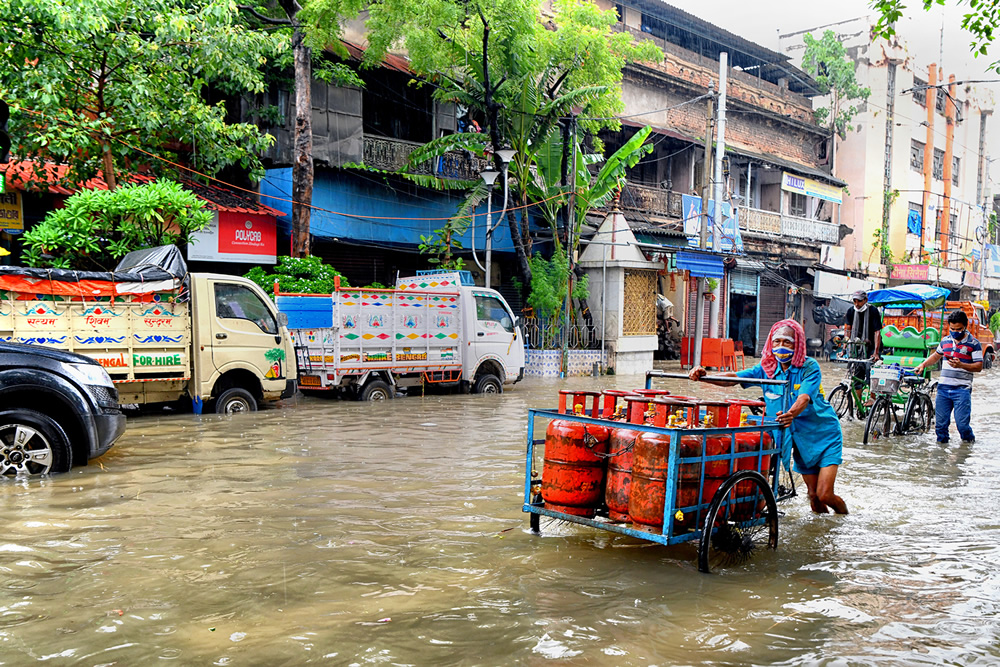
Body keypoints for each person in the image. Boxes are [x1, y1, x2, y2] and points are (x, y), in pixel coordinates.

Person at [689, 318, 848, 514]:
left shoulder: (809, 367)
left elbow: (804, 397)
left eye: (787, 342)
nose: (781, 347)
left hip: (824, 434)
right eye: (777, 342)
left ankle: (844, 520)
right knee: (813, 496)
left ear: (797, 344)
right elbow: (735, 378)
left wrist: (791, 414)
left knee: (825, 494)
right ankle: (822, 531)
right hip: (798, 438)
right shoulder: (766, 369)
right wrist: (706, 377)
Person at [913, 309, 983, 444]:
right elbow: (936, 356)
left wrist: (961, 365)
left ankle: (968, 446)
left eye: (959, 329)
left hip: (962, 390)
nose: (955, 332)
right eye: (952, 329)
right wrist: (923, 365)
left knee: (962, 425)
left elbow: (979, 366)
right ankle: (941, 454)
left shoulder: (974, 344)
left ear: (965, 327)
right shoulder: (945, 341)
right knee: (940, 426)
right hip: (943, 389)